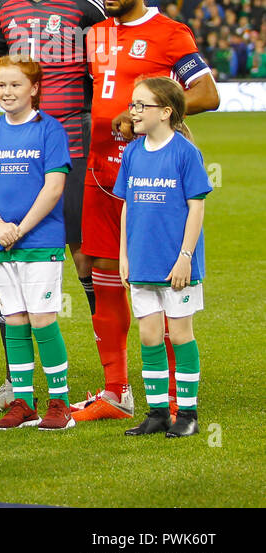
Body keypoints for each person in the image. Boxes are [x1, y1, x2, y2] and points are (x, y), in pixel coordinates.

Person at [73, 0, 218, 423]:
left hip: (151, 175)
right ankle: (117, 393)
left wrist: (144, 118)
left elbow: (207, 93)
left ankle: (177, 399)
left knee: (163, 281)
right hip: (100, 172)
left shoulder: (171, 34)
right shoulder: (94, 34)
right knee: (103, 275)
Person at [0, 0, 106, 414]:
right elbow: (2, 70)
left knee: (83, 256)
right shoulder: (5, 6)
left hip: (73, 150)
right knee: (8, 251)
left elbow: (107, 73)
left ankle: (112, 373)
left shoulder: (85, 6)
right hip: (16, 153)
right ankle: (17, 385)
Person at [0, 57, 74, 430]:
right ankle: (24, 402)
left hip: (39, 241)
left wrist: (20, 228)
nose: (7, 92)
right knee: (14, 320)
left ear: (34, 89)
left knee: (43, 320)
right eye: (2, 85)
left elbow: (54, 186)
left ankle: (60, 404)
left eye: (15, 85)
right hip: (0, 241)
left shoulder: (50, 131)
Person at [116, 77, 211, 438]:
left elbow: (196, 207)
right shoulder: (133, 152)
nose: (133, 112)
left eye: (141, 106)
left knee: (181, 335)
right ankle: (157, 412)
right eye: (133, 104)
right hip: (142, 261)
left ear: (166, 112)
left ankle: (187, 413)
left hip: (177, 265)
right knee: (150, 337)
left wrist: (185, 256)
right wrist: (123, 255)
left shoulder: (186, 153)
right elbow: (126, 206)